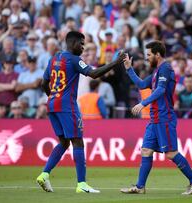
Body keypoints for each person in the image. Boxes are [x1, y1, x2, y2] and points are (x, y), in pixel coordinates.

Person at [36, 31, 124, 193]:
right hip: (67, 106)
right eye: (81, 44)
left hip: (52, 105)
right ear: (73, 42)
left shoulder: (54, 58)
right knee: (78, 142)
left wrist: (53, 97)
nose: (83, 47)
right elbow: (94, 73)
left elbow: (44, 83)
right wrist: (115, 62)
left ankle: (44, 175)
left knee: (63, 142)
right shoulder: (74, 60)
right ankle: (82, 184)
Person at [120, 41, 192, 195]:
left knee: (170, 153)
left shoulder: (165, 68)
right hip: (155, 118)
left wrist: (143, 103)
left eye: (149, 55)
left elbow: (161, 90)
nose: (147, 58)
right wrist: (129, 69)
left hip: (164, 117)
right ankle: (140, 187)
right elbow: (142, 84)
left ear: (157, 54)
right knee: (146, 150)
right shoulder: (158, 71)